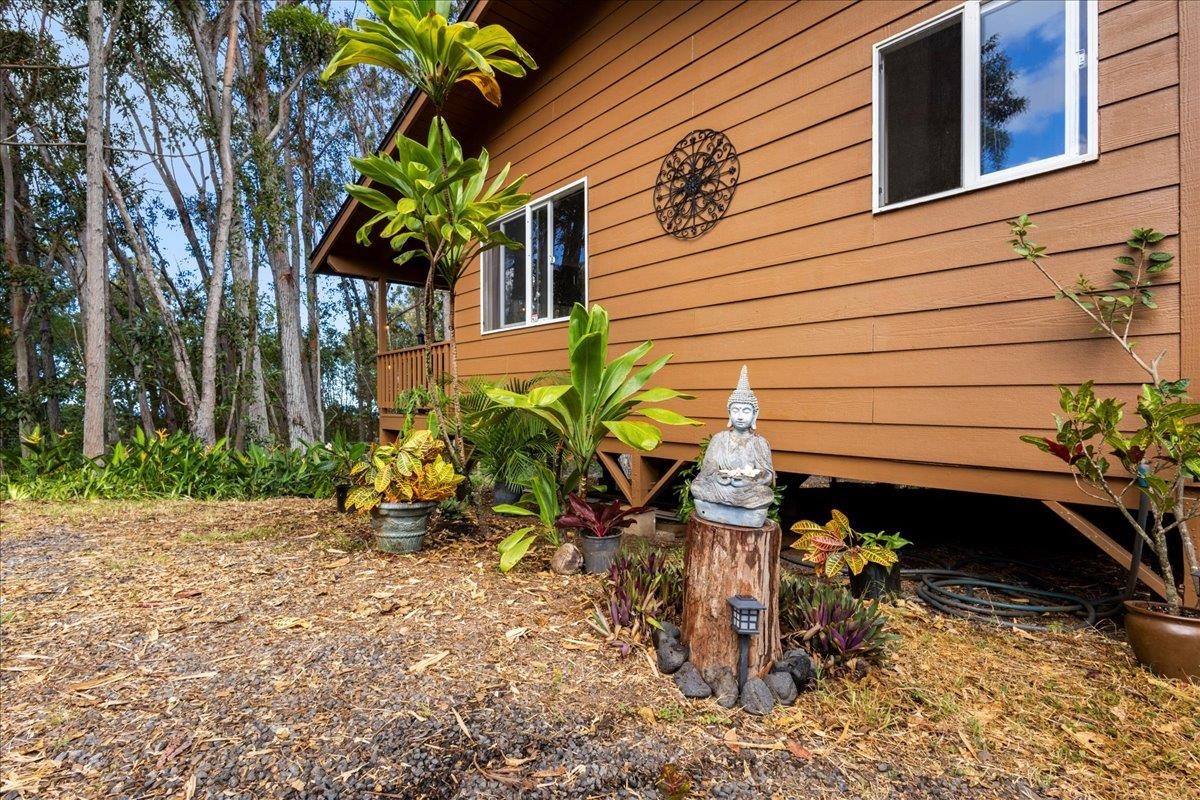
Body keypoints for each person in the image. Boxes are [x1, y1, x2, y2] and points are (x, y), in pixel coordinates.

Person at [690, 365, 775, 527]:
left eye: (746, 411)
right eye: (735, 410)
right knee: (698, 486)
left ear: (754, 415)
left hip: (746, 489)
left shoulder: (759, 442)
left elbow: (767, 475)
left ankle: (735, 510)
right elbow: (708, 469)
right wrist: (721, 477)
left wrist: (748, 479)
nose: (740, 416)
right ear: (729, 413)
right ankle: (731, 509)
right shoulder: (719, 439)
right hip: (720, 486)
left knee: (764, 494)